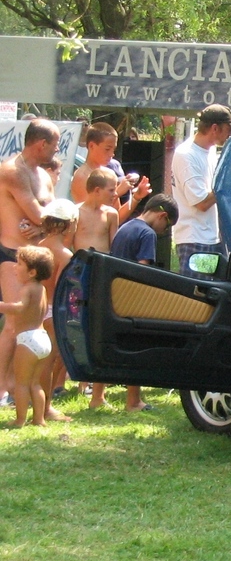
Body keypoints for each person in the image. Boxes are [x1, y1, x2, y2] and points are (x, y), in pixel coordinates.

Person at [0, 119, 58, 407]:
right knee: (14, 323)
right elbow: (40, 214)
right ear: (41, 144)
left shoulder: (44, 175)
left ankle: (18, 385)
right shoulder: (13, 171)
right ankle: (2, 387)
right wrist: (44, 222)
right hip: (12, 255)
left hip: (38, 256)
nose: (57, 150)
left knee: (34, 323)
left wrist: (42, 228)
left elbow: (58, 217)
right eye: (55, 145)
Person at [110, 193, 179, 412]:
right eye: (167, 226)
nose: (163, 232)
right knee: (136, 347)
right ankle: (133, 401)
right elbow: (142, 270)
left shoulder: (125, 227)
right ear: (162, 216)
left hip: (115, 292)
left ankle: (97, 398)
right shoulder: (147, 233)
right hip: (133, 297)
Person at [172, 104, 231, 279]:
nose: (230, 134)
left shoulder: (209, 151)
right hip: (194, 240)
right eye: (228, 129)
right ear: (215, 128)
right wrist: (226, 183)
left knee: (215, 291)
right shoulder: (186, 155)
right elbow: (201, 203)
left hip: (211, 238)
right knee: (198, 293)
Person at [73, 167, 119, 409]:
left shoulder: (111, 214)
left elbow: (114, 247)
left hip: (102, 275)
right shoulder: (75, 213)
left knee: (100, 328)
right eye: (111, 190)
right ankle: (81, 380)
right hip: (80, 274)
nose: (115, 194)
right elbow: (68, 245)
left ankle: (98, 392)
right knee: (78, 326)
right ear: (97, 190)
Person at [0, 246, 54, 427]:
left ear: (32, 272)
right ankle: (39, 419)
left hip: (28, 340)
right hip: (43, 338)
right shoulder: (41, 289)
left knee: (21, 383)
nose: (15, 267)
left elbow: (19, 308)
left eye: (19, 264)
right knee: (35, 383)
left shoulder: (27, 288)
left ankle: (20, 419)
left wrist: (2, 305)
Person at [37, 199, 79, 421]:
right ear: (69, 224)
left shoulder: (37, 248)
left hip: (35, 309)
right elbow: (63, 289)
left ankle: (35, 406)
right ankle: (46, 408)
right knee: (49, 360)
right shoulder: (64, 255)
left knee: (35, 361)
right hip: (53, 310)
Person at [71, 122, 151, 224]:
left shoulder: (109, 174)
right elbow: (91, 219)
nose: (112, 154)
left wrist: (136, 197)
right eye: (107, 149)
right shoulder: (82, 176)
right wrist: (117, 192)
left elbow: (116, 218)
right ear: (91, 146)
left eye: (113, 149)